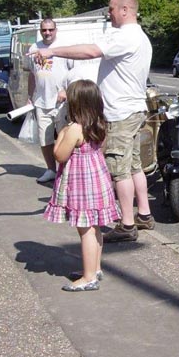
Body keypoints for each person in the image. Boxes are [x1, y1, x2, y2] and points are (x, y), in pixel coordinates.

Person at [30, 0, 154, 242]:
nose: (108, 13)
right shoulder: (138, 36)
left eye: (111, 9)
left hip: (120, 112)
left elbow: (90, 51)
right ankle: (143, 214)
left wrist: (53, 51)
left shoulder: (126, 36)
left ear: (125, 10)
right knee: (132, 165)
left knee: (119, 169)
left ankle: (127, 225)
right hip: (131, 109)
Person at [44, 80, 120, 291]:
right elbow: (101, 150)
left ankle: (88, 278)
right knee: (95, 227)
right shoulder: (100, 124)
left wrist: (60, 134)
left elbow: (59, 155)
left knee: (85, 230)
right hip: (97, 180)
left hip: (80, 186)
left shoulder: (75, 129)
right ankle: (95, 268)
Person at [28, 19, 73, 183]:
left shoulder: (64, 47)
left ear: (56, 30)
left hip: (61, 101)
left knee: (64, 138)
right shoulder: (34, 48)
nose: (47, 33)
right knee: (44, 139)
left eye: (50, 30)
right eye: (44, 30)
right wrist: (29, 96)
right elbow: (32, 74)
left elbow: (74, 72)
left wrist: (66, 90)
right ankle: (51, 169)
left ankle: (66, 170)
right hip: (41, 101)